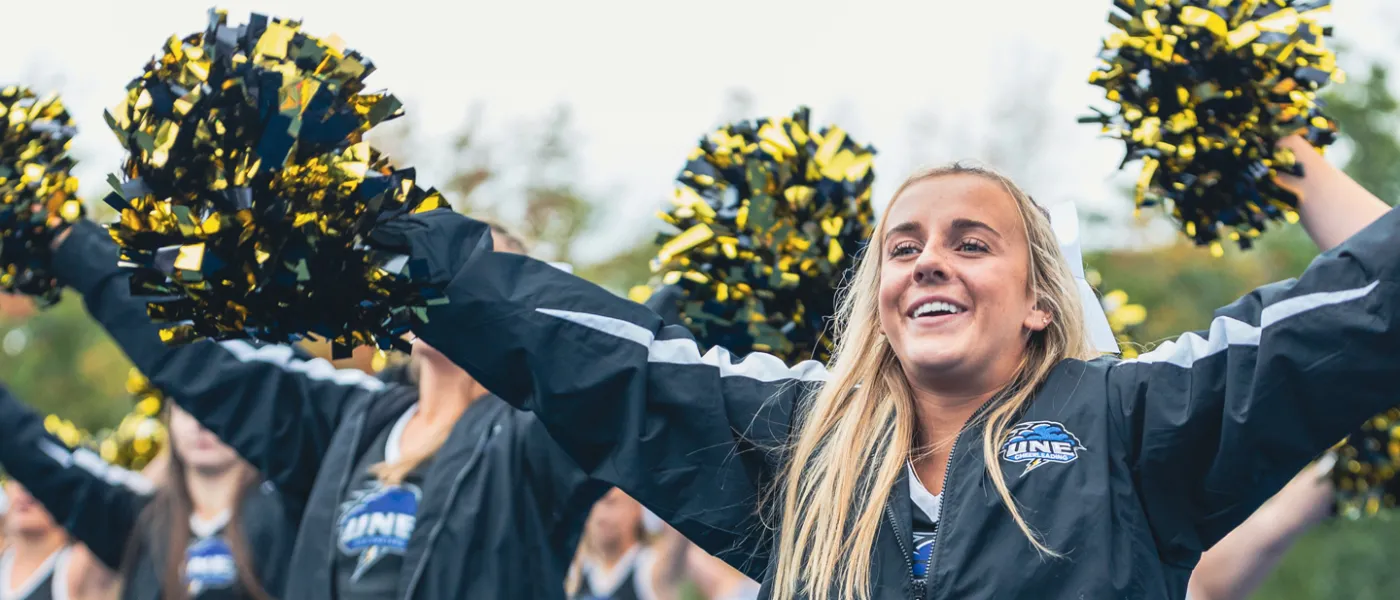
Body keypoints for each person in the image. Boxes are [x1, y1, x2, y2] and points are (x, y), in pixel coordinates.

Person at [376, 132, 1399, 599]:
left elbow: (1347, 314)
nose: (928, 265)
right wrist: (371, 224)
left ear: (1041, 302)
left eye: (969, 241)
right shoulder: (798, 442)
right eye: (901, 248)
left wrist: (1280, 149)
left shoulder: (1131, 424)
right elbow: (573, 343)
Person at [49, 220, 605, 599]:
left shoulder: (537, 437)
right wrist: (72, 246)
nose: (451, 290)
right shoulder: (354, 418)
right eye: (438, 271)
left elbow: (617, 382)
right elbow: (203, 363)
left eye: (481, 276)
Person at [0, 387, 291, 600]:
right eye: (188, 405)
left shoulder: (290, 514)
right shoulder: (137, 520)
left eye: (221, 407)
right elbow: (34, 451)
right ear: (170, 417)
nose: (202, 422)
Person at [569, 489, 661, 600]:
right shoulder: (578, 571)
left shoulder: (650, 567)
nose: (600, 516)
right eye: (593, 503)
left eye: (611, 503)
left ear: (636, 509)